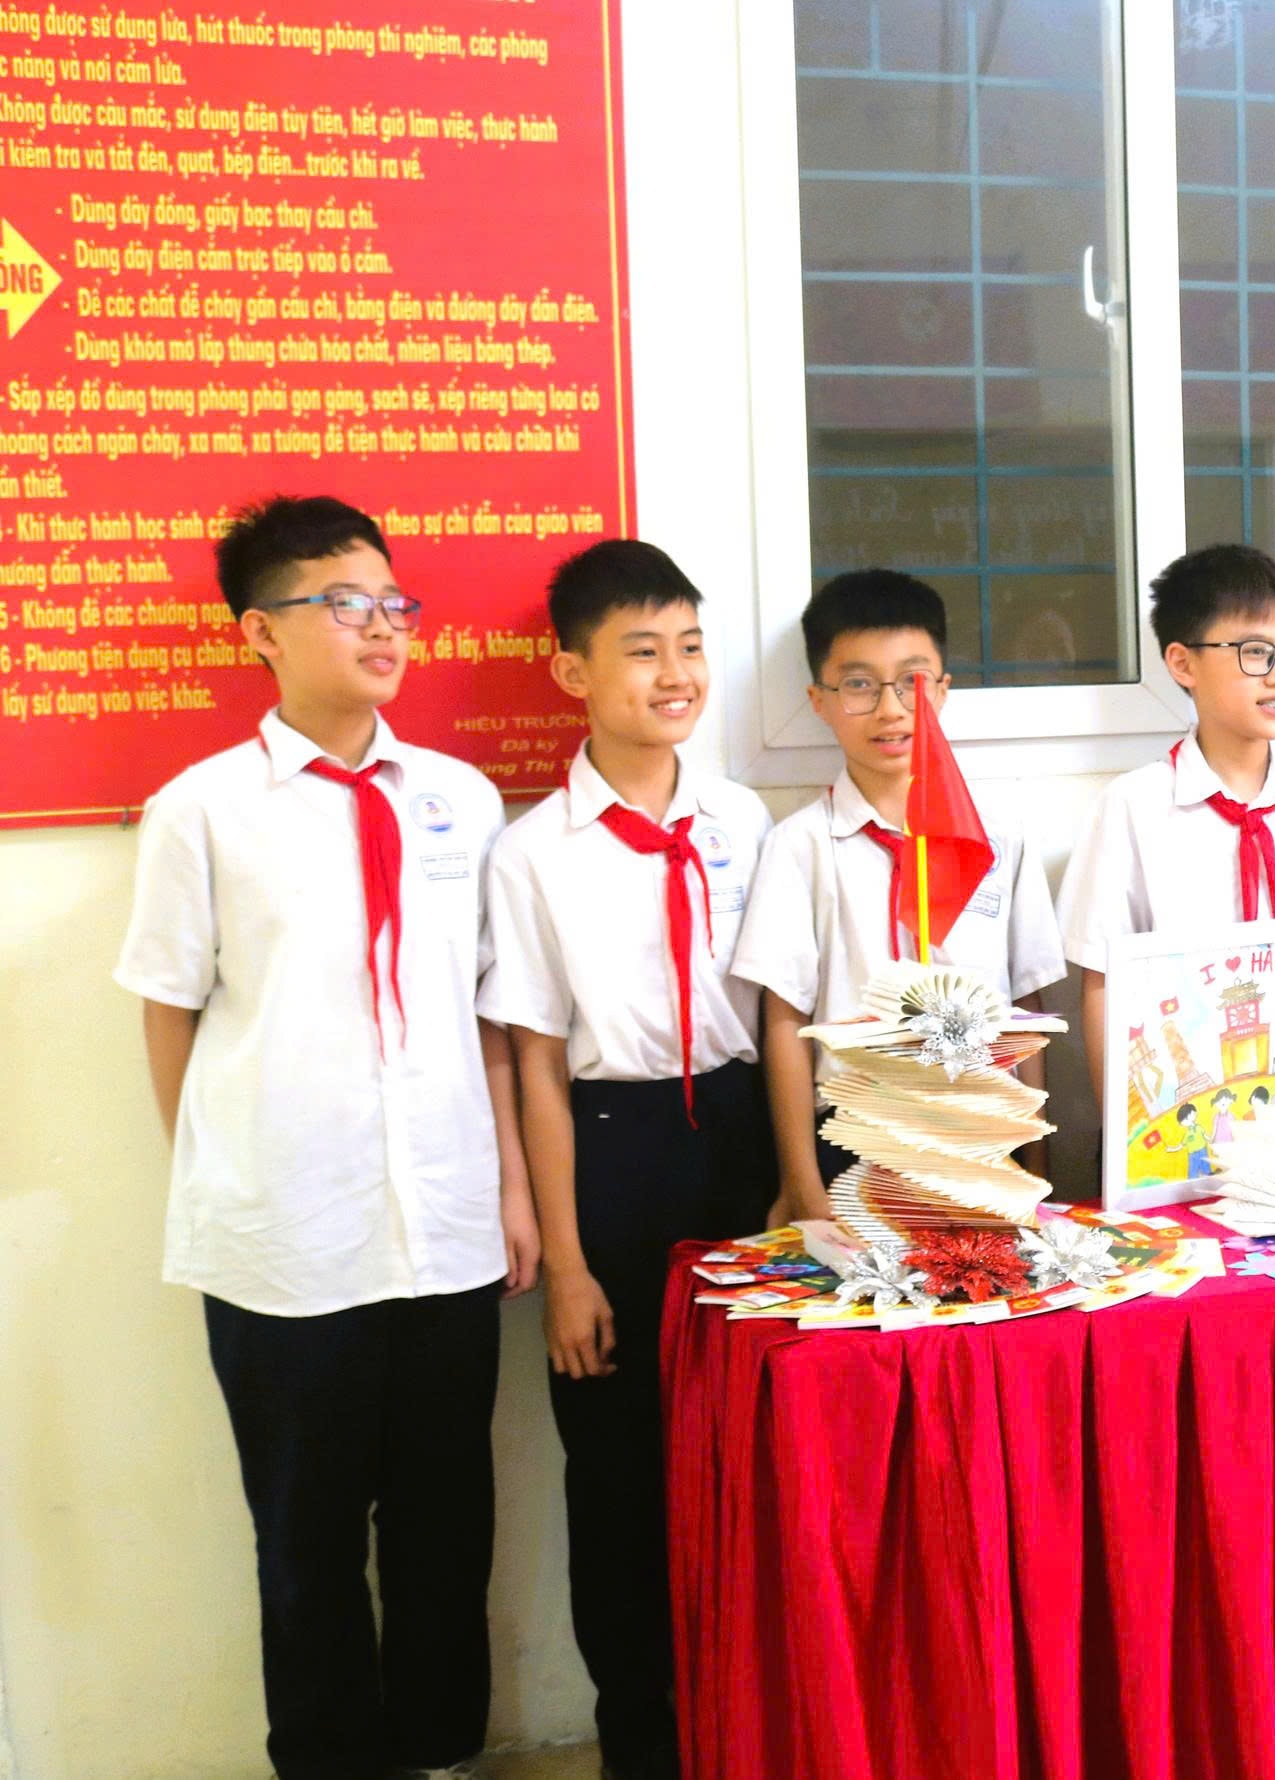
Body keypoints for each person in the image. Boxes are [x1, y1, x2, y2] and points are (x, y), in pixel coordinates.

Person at [114, 495, 538, 1780]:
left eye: (394, 602)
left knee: (446, 1524)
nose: (383, 627)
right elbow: (171, 1010)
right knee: (303, 1540)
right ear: (262, 632)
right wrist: (226, 1172)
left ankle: (440, 1753)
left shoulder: (462, 799)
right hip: (285, 1243)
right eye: (344, 603)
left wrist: (513, 1192)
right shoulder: (202, 810)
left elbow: (490, 1016)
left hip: (445, 1228)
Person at [477, 539, 774, 1780]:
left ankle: (751, 1722)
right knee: (618, 1475)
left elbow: (780, 1012)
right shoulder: (532, 852)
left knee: (754, 1455)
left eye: (691, 645)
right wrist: (570, 1265)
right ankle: (641, 1741)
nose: (675, 673)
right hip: (610, 1156)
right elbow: (537, 1064)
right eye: (642, 650)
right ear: (573, 674)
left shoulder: (744, 818)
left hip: (747, 1147)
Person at [731, 569, 1066, 1217]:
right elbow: (784, 1022)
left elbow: (1027, 1005)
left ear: (941, 689)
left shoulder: (997, 839)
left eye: (912, 681)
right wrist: (801, 1183)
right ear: (819, 699)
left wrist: (1037, 1168)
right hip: (855, 1141)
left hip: (982, 1136)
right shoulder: (800, 847)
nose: (890, 709)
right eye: (859, 684)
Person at [1058, 545, 1275, 1104]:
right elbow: (1103, 985)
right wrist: (1122, 1133)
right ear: (1183, 663)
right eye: (1255, 652)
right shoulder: (1133, 807)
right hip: (1176, 1114)